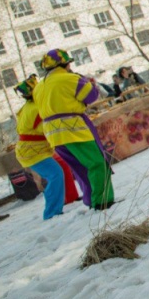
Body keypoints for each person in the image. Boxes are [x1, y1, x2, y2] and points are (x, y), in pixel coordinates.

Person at [33, 48, 115, 210]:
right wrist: (90, 83)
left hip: (53, 135)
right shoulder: (69, 78)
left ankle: (91, 200)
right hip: (74, 130)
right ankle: (102, 201)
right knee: (97, 164)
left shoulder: (39, 86)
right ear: (64, 64)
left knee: (80, 168)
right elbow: (91, 96)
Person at [13, 75, 66, 220]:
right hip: (33, 151)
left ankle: (55, 207)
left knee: (55, 174)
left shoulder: (29, 106)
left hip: (30, 149)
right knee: (55, 174)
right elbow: (47, 127)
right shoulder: (37, 107)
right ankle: (52, 211)